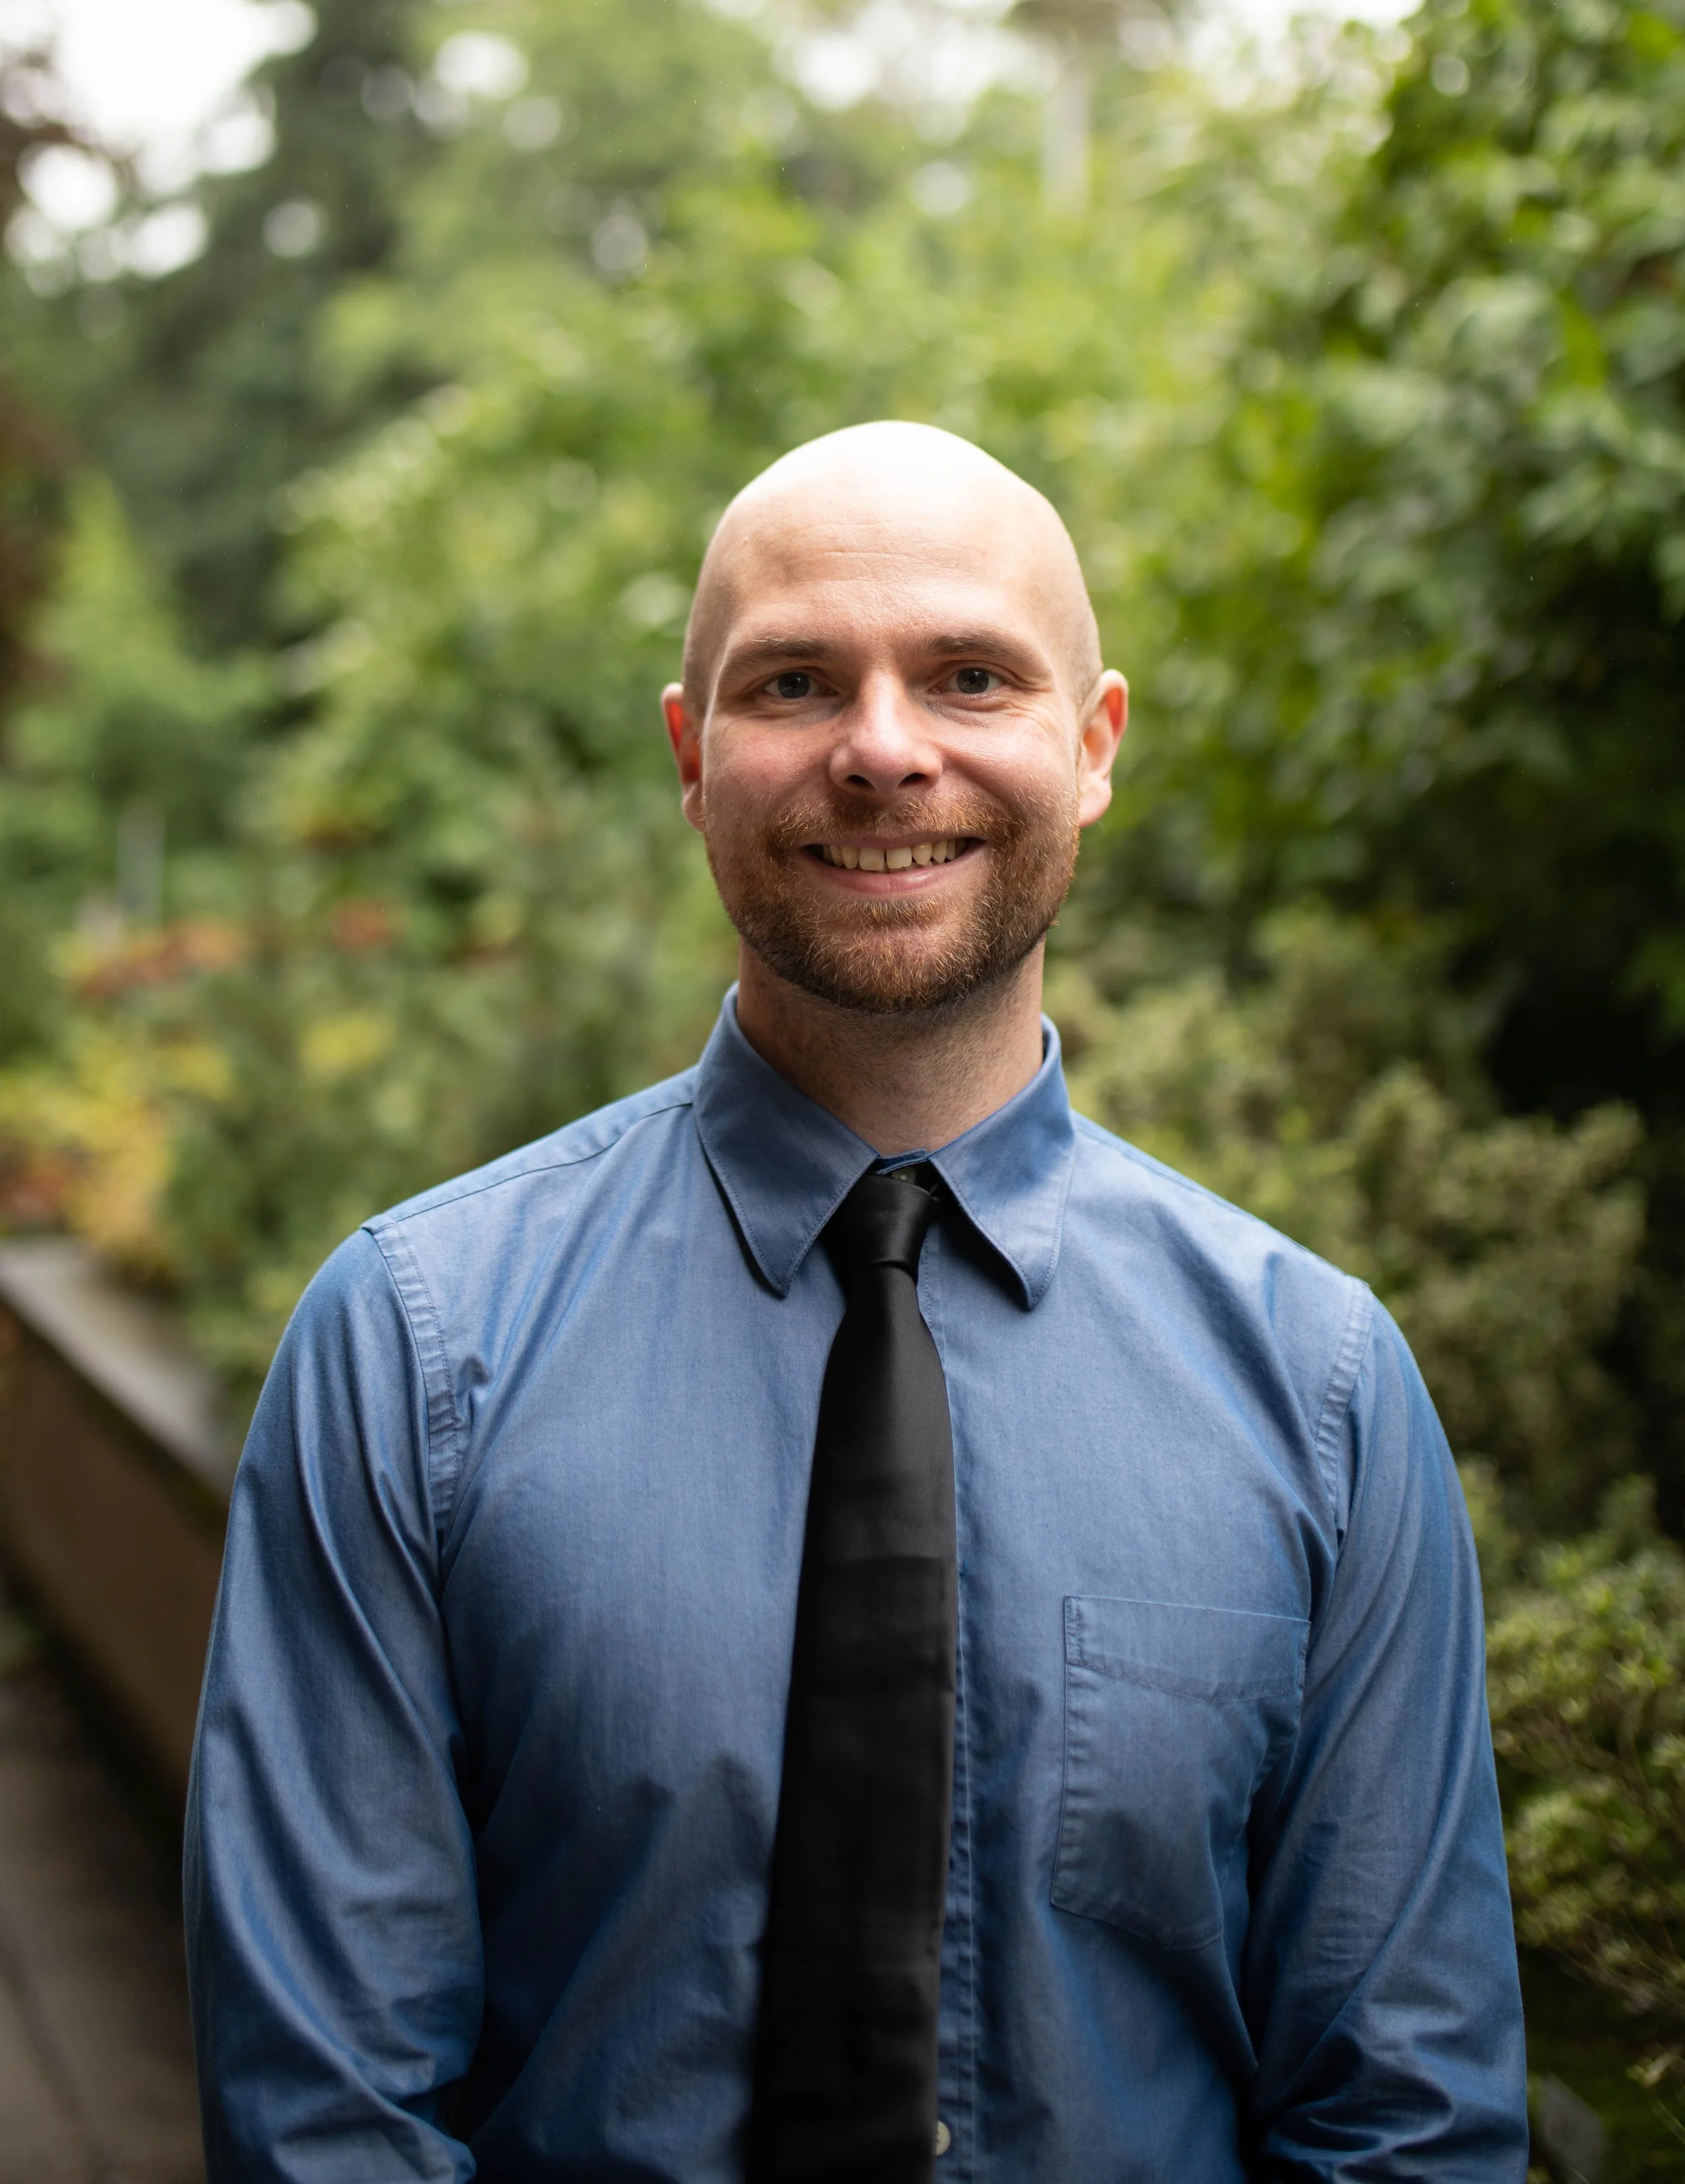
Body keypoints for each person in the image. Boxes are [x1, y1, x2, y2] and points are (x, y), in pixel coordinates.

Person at [185, 421, 1529, 2182]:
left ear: (1092, 742)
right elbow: (325, 2117)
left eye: (969, 676)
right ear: (690, 756)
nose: (882, 751)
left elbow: (1406, 2119)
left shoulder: (1323, 1392)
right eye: (796, 682)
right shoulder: (413, 1344)